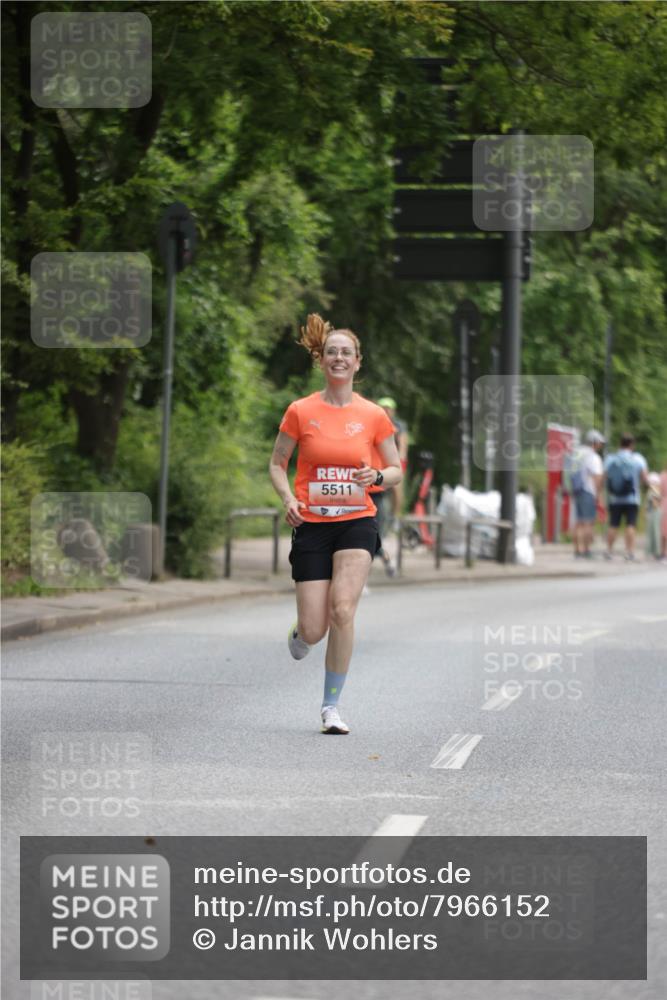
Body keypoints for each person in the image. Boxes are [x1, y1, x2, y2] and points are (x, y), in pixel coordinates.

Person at [269, 314, 402, 734]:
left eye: (347, 352)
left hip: (357, 521)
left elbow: (396, 468)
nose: (339, 358)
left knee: (343, 608)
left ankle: (331, 707)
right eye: (332, 352)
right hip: (311, 523)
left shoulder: (374, 415)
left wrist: (377, 477)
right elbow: (277, 464)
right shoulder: (300, 411)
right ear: (321, 360)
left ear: (358, 362)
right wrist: (288, 497)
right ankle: (301, 631)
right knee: (314, 628)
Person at [603, 432, 649, 561]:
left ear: (620, 444)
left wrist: (600, 492)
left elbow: (604, 476)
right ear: (632, 445)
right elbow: (645, 478)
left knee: (613, 525)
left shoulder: (611, 458)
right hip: (632, 498)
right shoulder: (638, 459)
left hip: (615, 498)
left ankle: (609, 551)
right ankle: (629, 552)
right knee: (630, 525)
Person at [568, 429, 605, 559]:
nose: (601, 445)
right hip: (588, 491)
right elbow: (597, 477)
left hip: (576, 490)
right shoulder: (593, 457)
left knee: (578, 522)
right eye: (600, 442)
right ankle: (586, 550)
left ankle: (577, 551)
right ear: (594, 442)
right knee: (588, 522)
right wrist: (599, 496)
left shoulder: (576, 453)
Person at [376, 397, 409, 529]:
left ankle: (396, 515)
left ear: (393, 411)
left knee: (396, 487)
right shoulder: (375, 423)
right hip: (379, 460)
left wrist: (400, 460)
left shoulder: (399, 425)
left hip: (395, 460)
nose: (386, 411)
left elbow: (403, 445)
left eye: (388, 408)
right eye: (383, 408)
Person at [645, 472, 662, 559]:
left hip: (654, 513)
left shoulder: (653, 491)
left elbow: (655, 504)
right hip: (654, 512)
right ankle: (654, 551)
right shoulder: (655, 490)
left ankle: (655, 552)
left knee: (654, 532)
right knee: (653, 532)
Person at [660, 461, 667, 561]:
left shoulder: (662, 475)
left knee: (663, 530)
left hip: (663, 504)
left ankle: (663, 552)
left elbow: (658, 491)